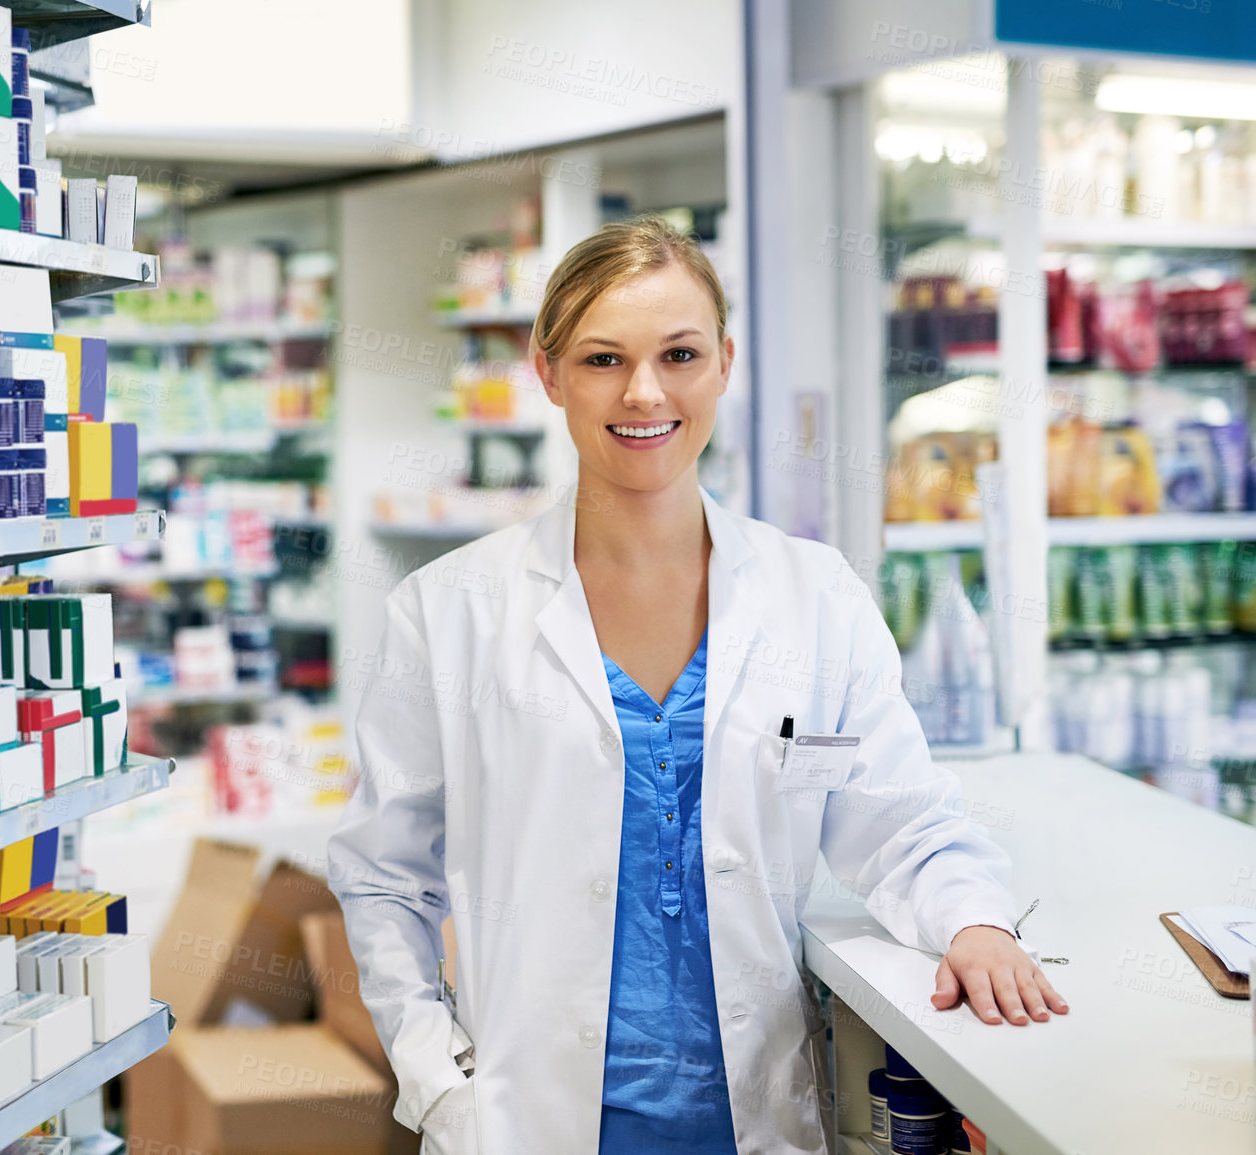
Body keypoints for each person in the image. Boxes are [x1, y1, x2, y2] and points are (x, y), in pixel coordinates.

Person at [326, 215, 1067, 1155]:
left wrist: (975, 924)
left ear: (722, 362)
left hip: (752, 1114)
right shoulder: (446, 611)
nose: (644, 392)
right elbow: (383, 876)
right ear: (546, 372)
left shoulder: (815, 596)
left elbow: (900, 820)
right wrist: (436, 1077)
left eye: (678, 353)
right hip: (525, 1120)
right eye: (602, 359)